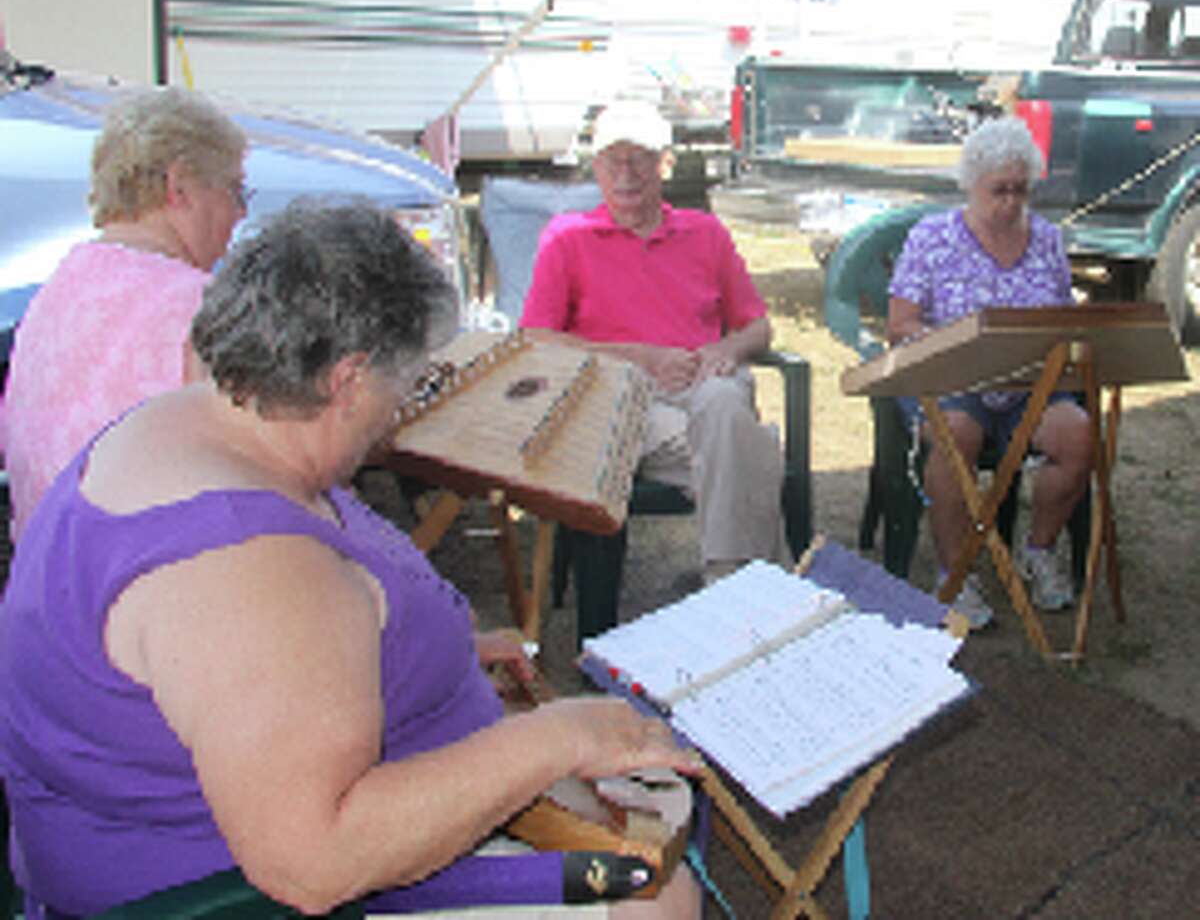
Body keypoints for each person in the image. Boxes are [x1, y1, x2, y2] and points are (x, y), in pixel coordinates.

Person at [0, 201, 702, 918]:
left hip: (212, 840)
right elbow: (313, 863)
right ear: (347, 380)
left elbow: (254, 675)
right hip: (220, 896)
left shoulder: (188, 425)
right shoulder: (247, 569)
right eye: (410, 385)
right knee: (655, 899)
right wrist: (559, 738)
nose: (400, 413)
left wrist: (437, 653)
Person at [520, 100, 787, 593]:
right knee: (748, 446)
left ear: (665, 163)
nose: (625, 173)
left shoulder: (704, 233)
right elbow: (536, 341)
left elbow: (758, 328)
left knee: (725, 399)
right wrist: (641, 357)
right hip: (615, 402)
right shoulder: (568, 238)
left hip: (701, 390)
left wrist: (725, 349)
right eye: (612, 160)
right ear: (595, 167)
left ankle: (729, 578)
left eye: (639, 158)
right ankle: (745, 588)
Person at [3, 85, 248, 542]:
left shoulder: (55, 291)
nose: (239, 213)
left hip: (43, 584)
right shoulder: (198, 306)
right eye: (235, 190)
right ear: (179, 188)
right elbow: (255, 478)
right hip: (144, 587)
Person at [887, 116, 1092, 628]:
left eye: (1021, 191)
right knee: (954, 434)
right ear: (971, 185)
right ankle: (956, 573)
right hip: (953, 382)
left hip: (1028, 385)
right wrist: (952, 346)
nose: (1010, 203)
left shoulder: (1046, 240)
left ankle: (1038, 552)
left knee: (1077, 434)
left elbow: (1061, 316)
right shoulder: (932, 237)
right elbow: (899, 324)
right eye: (998, 190)